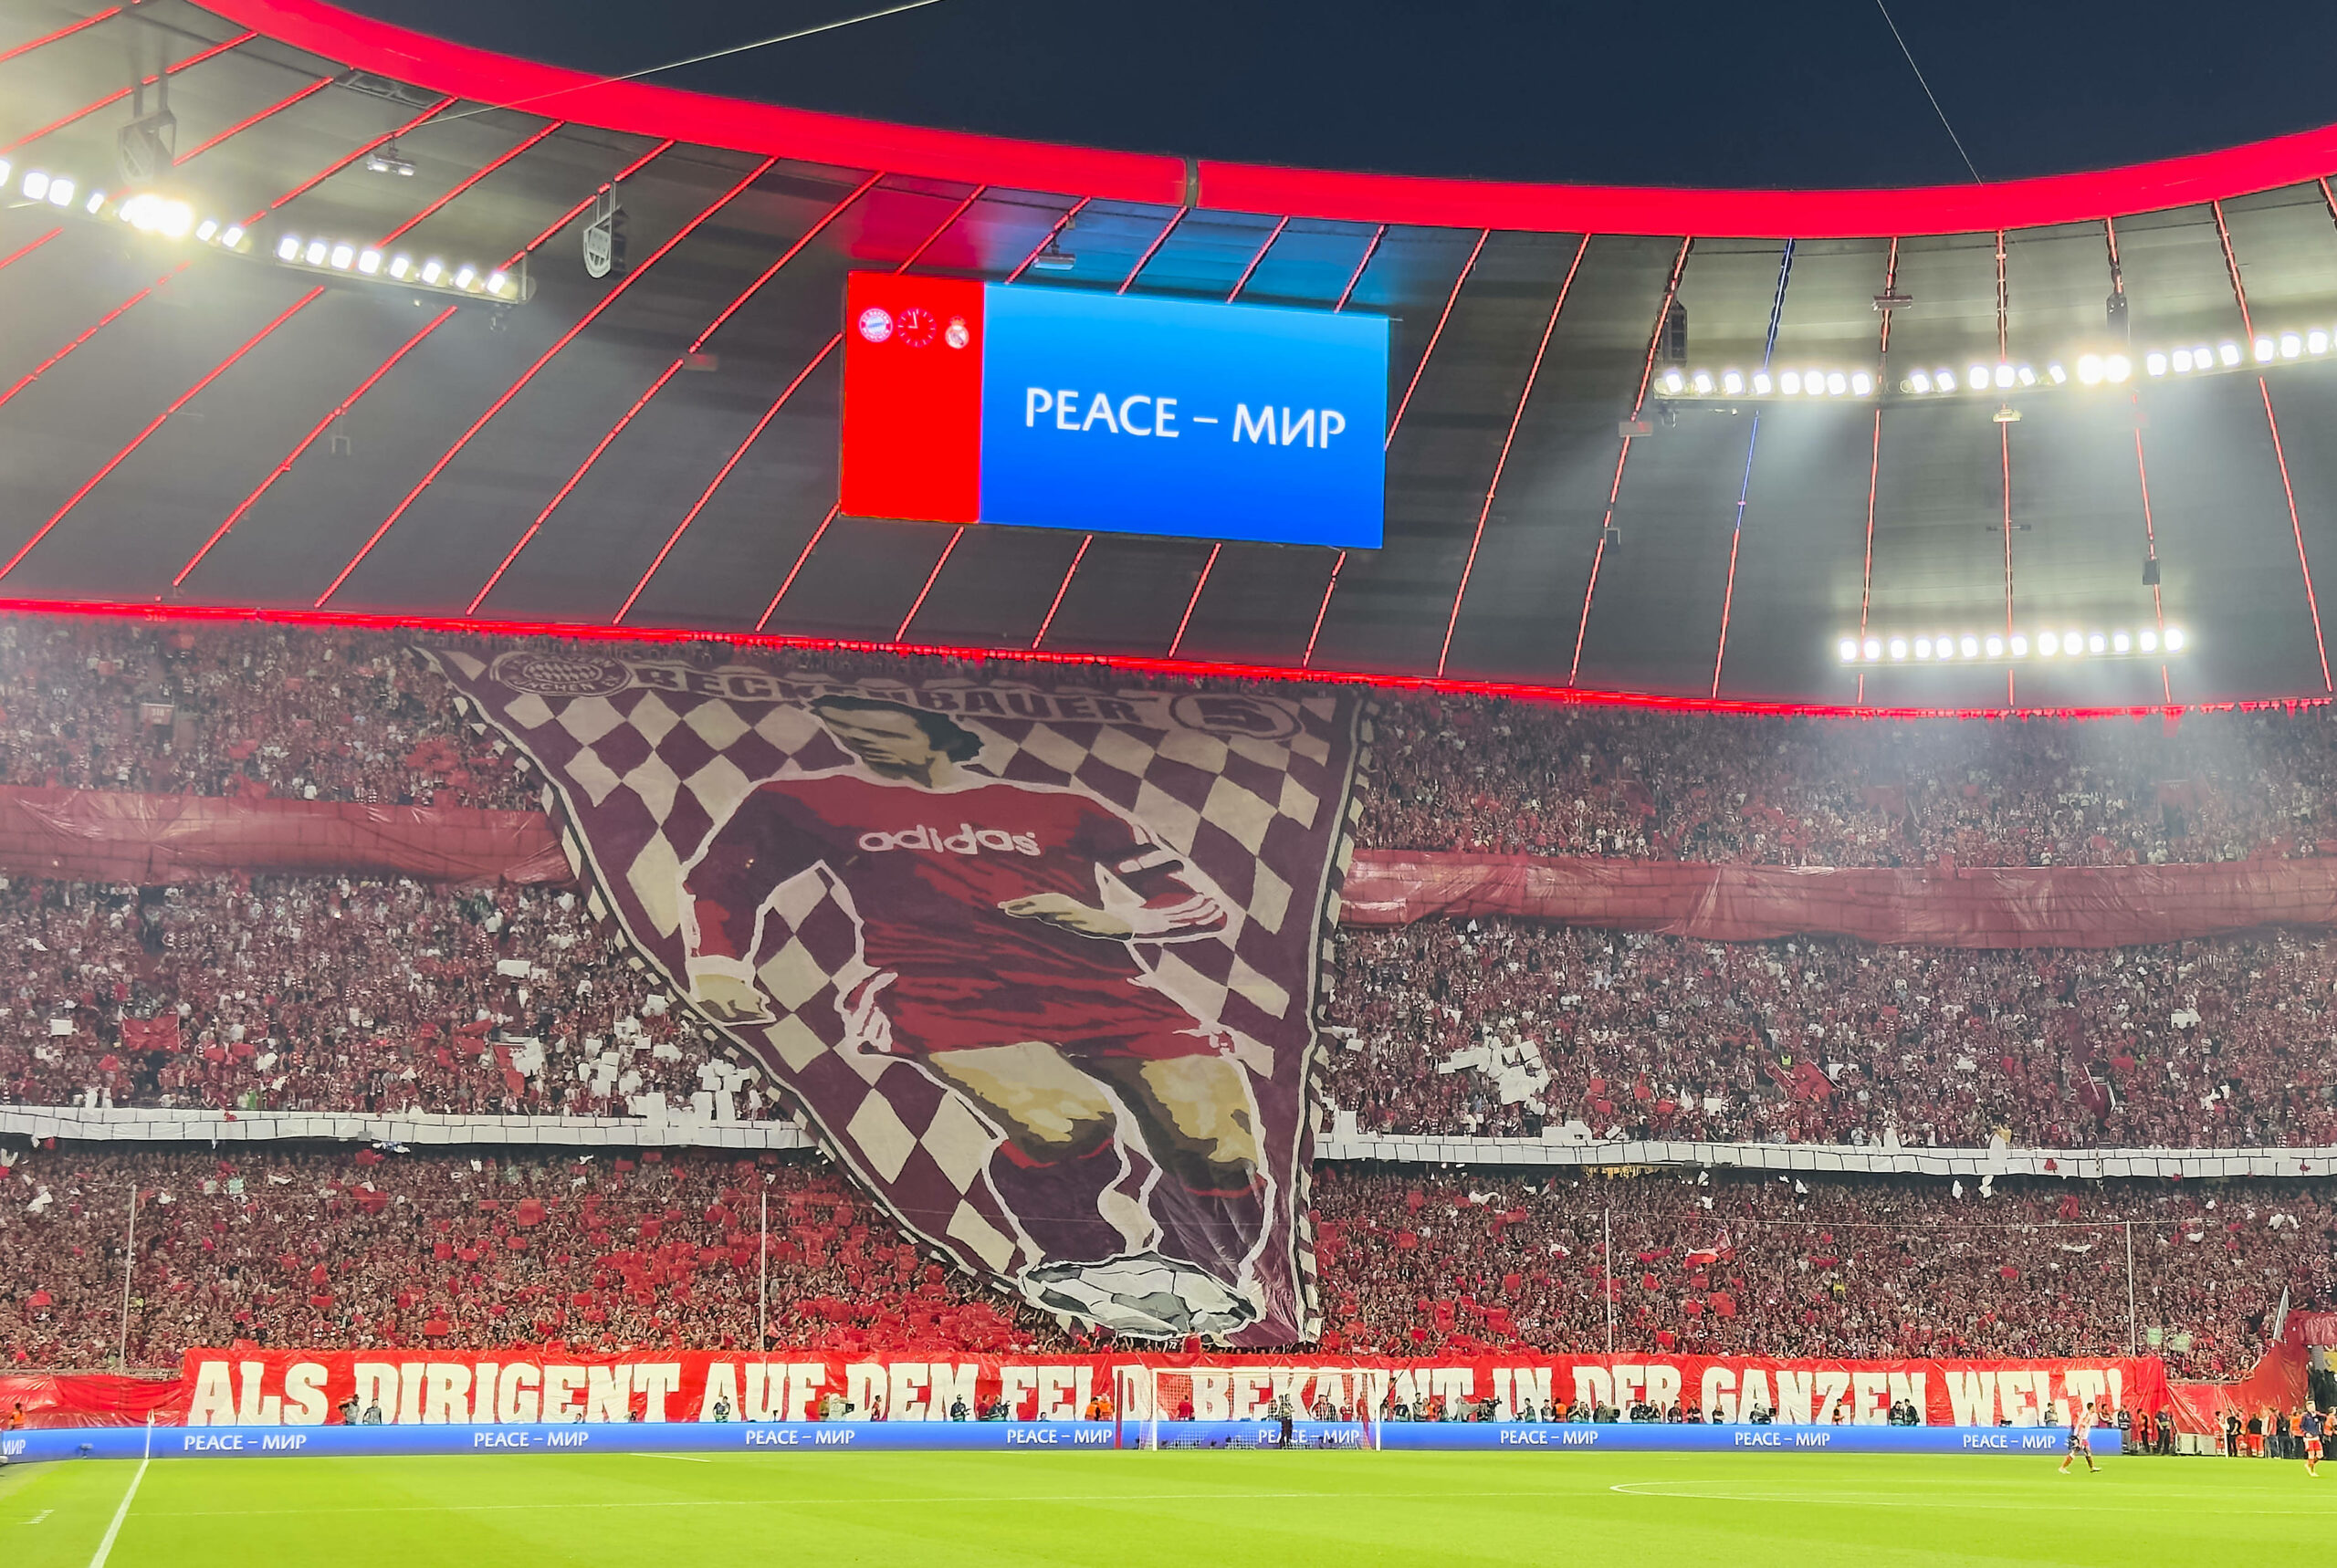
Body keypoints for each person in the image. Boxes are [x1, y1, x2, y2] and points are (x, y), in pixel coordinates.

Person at [678, 695, 1264, 1337]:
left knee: (1217, 1134)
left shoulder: (1065, 808)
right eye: (844, 727)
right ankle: (1083, 1263)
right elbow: (725, 880)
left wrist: (1118, 920)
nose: (858, 737)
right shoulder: (807, 799)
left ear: (935, 729)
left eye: (876, 724)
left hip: (1105, 987)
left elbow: (1197, 902)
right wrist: (719, 965)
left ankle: (1194, 1275)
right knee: (1066, 1121)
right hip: (946, 989)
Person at [2059, 1402, 2100, 1476]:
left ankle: (2092, 1467)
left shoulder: (2090, 1415)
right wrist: (2078, 1437)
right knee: (2074, 1452)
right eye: (2094, 1407)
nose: (2095, 1408)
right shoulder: (2087, 1415)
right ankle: (2062, 1467)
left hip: (2084, 1437)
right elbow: (2081, 1424)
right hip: (2080, 1437)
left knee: (2087, 1452)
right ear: (2091, 1408)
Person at [2303, 1406, 2323, 1477]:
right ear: (2307, 1408)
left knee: (2320, 1455)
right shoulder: (2305, 1416)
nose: (2312, 1408)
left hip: (2316, 1437)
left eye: (2313, 1406)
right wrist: (2306, 1433)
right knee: (2311, 1454)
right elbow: (2301, 1426)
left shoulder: (2317, 1416)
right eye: (2311, 1407)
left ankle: (2308, 1464)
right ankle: (2312, 1471)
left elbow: (2324, 1418)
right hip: (2309, 1439)